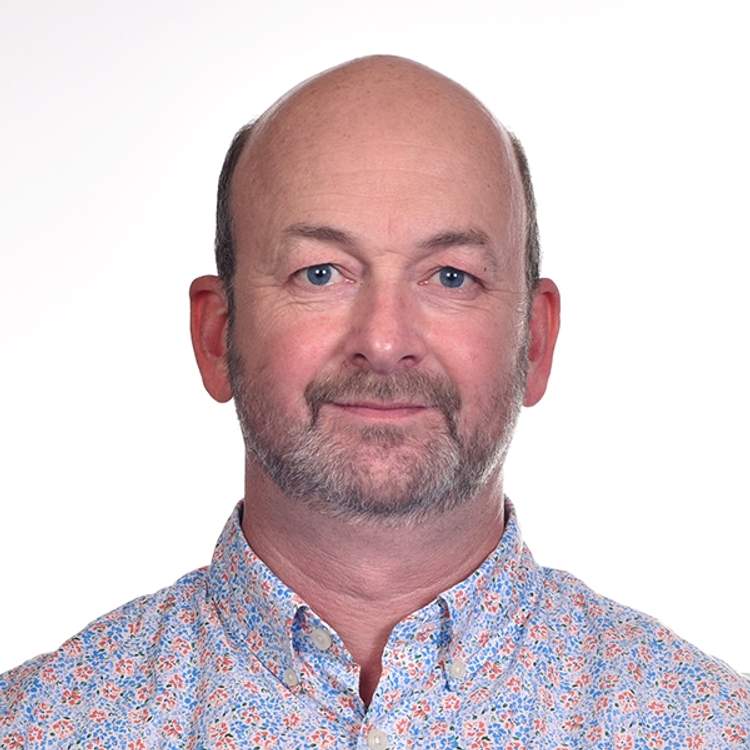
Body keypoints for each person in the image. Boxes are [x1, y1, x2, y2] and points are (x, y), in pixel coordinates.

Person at [1, 54, 747, 750]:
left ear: (536, 343)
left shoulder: (707, 729)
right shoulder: (37, 729)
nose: (385, 342)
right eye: (321, 273)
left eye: (451, 277)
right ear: (217, 336)